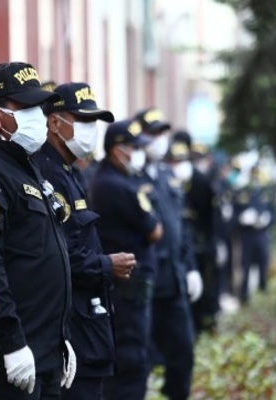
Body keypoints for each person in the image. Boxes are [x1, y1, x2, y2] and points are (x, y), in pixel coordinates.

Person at [0, 62, 75, 399]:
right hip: (15, 357)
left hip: (46, 350)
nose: (38, 117)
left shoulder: (27, 167)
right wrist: (12, 343)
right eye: (26, 108)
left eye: (40, 107)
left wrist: (61, 338)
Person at [32, 83, 136, 400]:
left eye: (94, 122)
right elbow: (61, 254)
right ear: (54, 122)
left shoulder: (70, 172)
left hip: (89, 322)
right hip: (71, 325)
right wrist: (106, 265)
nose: (90, 130)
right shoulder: (47, 173)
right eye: (84, 120)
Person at [89, 119, 163, 400]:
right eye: (134, 148)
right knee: (131, 362)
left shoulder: (116, 180)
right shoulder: (115, 185)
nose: (137, 154)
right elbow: (155, 231)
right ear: (118, 150)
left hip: (128, 287)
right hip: (125, 290)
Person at [134, 109, 202, 400]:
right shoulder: (130, 176)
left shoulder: (167, 176)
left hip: (174, 282)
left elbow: (180, 229)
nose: (159, 139)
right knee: (141, 360)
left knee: (183, 353)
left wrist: (191, 267)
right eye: (153, 133)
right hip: (145, 284)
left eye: (162, 133)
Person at [166, 131, 220, 333]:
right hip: (175, 241)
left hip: (199, 242)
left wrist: (213, 243)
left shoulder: (200, 180)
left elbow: (210, 216)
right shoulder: (165, 178)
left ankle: (202, 323)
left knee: (202, 288)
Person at [233, 165, 276, 303]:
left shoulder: (267, 193)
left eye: (258, 176)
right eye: (254, 176)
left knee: (263, 263)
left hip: (262, 234)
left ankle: (263, 294)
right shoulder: (242, 192)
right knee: (245, 265)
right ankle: (244, 296)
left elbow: (275, 215)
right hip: (247, 234)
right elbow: (233, 216)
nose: (256, 179)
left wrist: (267, 219)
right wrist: (242, 218)